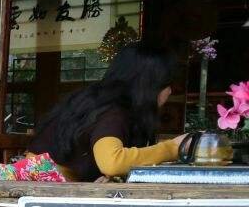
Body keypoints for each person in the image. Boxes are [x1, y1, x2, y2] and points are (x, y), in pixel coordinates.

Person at [29, 44, 185, 182]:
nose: (170, 91)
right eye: (167, 84)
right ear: (149, 85)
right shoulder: (113, 111)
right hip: (40, 187)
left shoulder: (100, 100)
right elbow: (112, 162)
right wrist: (174, 148)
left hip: (45, 182)